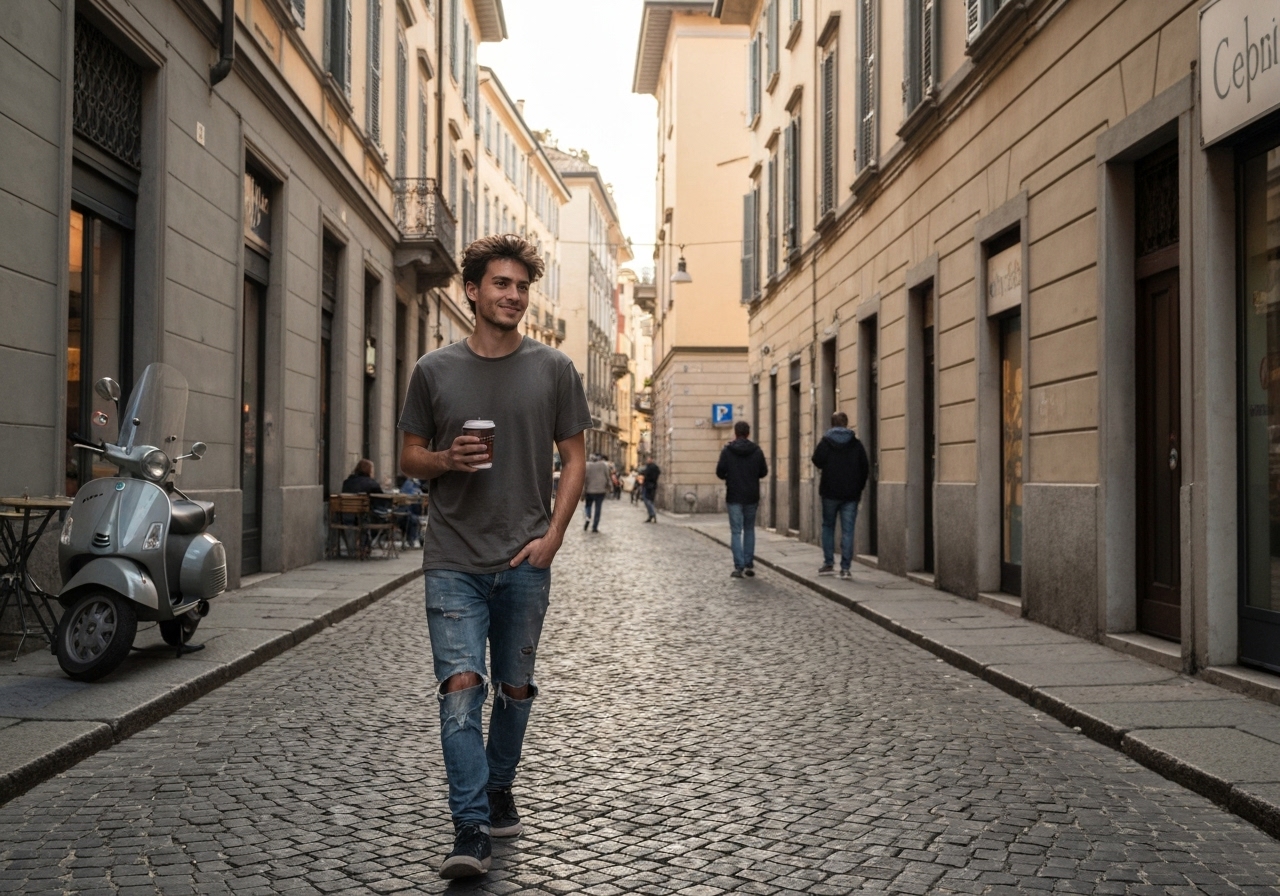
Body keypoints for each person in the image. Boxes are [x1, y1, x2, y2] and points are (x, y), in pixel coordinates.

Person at [398, 233, 591, 880]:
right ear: (472, 290)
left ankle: (500, 782)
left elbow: (575, 459)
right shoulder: (434, 371)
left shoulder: (555, 370)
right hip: (452, 558)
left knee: (514, 689)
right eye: (501, 285)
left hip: (525, 559)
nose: (513, 296)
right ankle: (471, 825)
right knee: (460, 690)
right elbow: (409, 458)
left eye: (521, 287)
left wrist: (555, 535)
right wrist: (445, 460)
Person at [811, 411, 870, 579]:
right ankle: (845, 568)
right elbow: (864, 467)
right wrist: (858, 487)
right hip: (851, 493)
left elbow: (816, 460)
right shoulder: (855, 443)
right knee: (848, 530)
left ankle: (828, 563)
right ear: (846, 423)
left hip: (830, 491)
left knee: (828, 526)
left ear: (832, 424)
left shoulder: (826, 441)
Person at [715, 421, 768, 578]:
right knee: (749, 529)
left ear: (735, 433)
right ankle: (748, 563)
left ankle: (739, 566)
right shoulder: (757, 451)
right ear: (748, 433)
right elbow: (763, 471)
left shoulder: (727, 450)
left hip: (734, 495)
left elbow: (719, 472)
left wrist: (729, 476)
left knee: (736, 531)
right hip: (752, 495)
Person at [582, 453, 611, 532]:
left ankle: (588, 516)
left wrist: (583, 492)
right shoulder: (604, 465)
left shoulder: (587, 466)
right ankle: (595, 527)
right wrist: (609, 487)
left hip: (590, 491)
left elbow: (584, 480)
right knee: (598, 509)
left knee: (588, 505)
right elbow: (607, 477)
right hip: (600, 491)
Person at [639, 455, 661, 522]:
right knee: (649, 500)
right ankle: (650, 515)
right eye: (647, 459)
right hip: (650, 485)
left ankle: (652, 514)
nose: (647, 460)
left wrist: (648, 479)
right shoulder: (650, 467)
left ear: (651, 459)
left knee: (647, 500)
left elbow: (652, 475)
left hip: (649, 485)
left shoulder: (652, 467)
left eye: (649, 459)